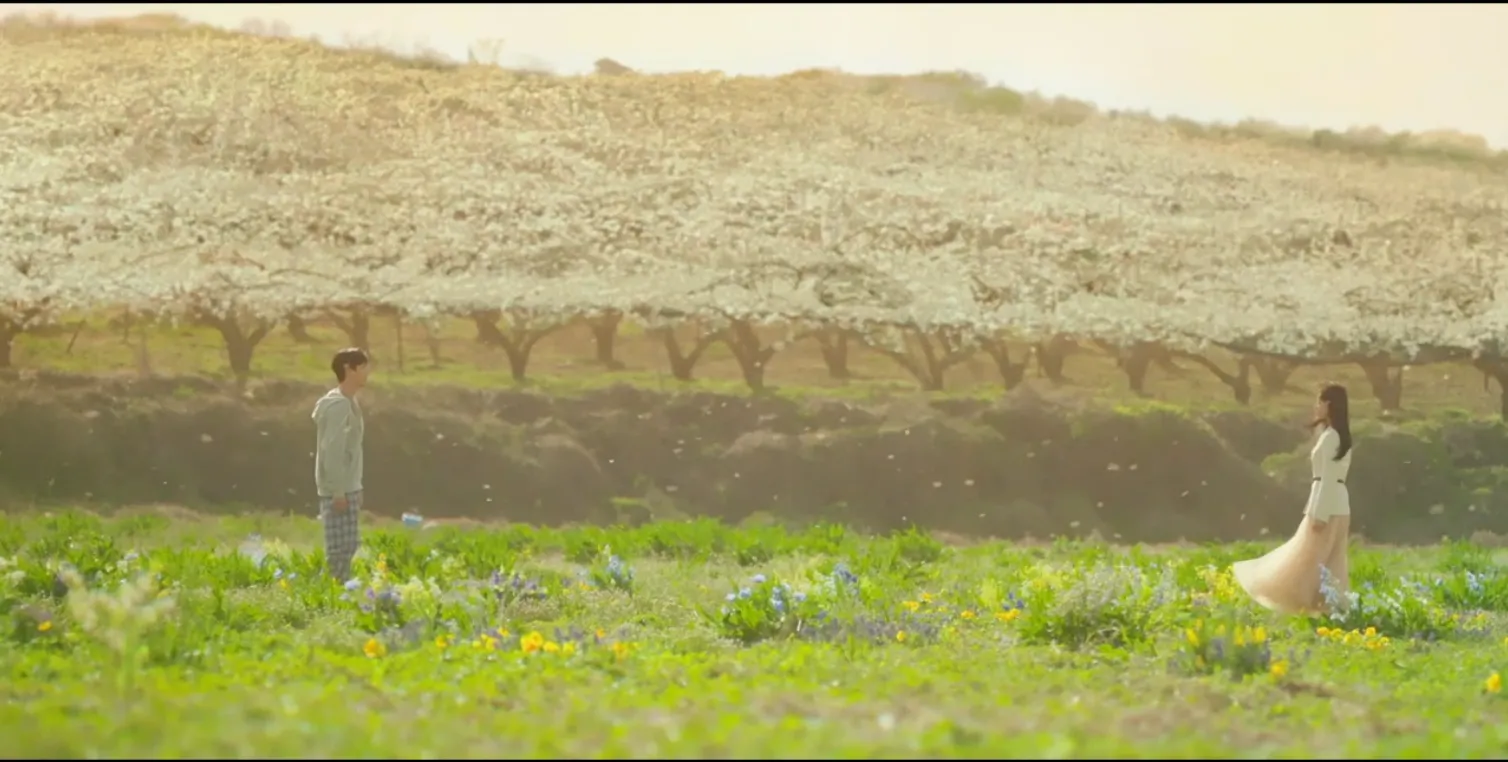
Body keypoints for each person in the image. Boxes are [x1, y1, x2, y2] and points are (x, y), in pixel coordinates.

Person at [1232, 383, 1353, 614]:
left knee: (1307, 558)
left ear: (1329, 404)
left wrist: (1318, 513)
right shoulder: (1338, 436)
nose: (1316, 407)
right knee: (1332, 561)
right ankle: (1333, 608)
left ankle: (1297, 600)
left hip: (1326, 502)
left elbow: (1325, 478)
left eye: (1319, 402)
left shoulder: (1331, 438)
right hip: (1339, 502)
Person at [312, 347, 370, 582]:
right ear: (349, 369)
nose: (368, 373)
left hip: (348, 486)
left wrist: (356, 485)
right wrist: (338, 490)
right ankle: (336, 596)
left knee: (349, 547)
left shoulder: (349, 401)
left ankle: (341, 594)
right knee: (339, 552)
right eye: (363, 367)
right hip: (339, 489)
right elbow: (332, 449)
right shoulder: (339, 406)